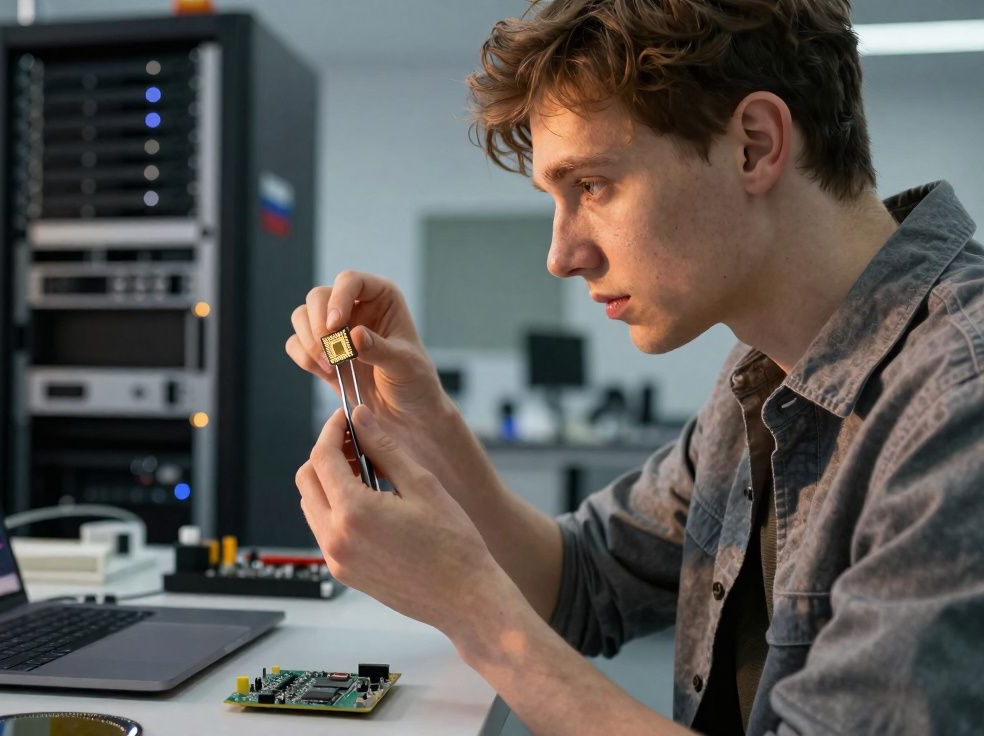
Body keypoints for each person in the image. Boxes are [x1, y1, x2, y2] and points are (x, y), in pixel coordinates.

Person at [283, 0, 984, 733]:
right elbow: (580, 582)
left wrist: (472, 611)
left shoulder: (960, 398)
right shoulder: (761, 373)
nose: (561, 256)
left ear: (753, 144)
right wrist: (427, 419)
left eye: (591, 186)